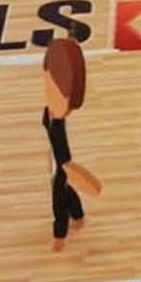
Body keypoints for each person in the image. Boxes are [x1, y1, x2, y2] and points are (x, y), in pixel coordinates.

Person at [42, 37, 100, 252]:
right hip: (54, 164)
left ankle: (59, 236)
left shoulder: (58, 125)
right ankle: (78, 216)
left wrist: (76, 175)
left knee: (58, 201)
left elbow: (63, 156)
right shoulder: (48, 113)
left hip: (61, 167)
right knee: (66, 192)